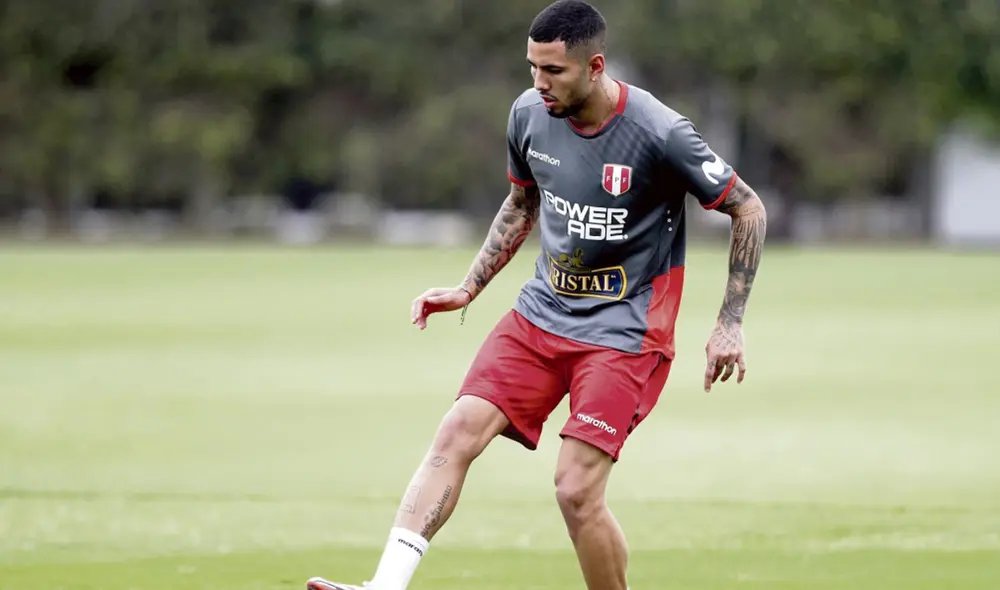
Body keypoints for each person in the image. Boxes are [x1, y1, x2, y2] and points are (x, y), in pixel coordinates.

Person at [307, 1, 767, 589]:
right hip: (541, 315)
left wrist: (730, 321)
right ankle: (385, 587)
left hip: (625, 334)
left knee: (575, 492)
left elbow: (746, 206)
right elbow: (523, 203)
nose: (538, 83)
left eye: (554, 71)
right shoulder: (528, 114)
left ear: (595, 66)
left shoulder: (659, 132)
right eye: (532, 67)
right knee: (456, 432)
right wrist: (468, 287)